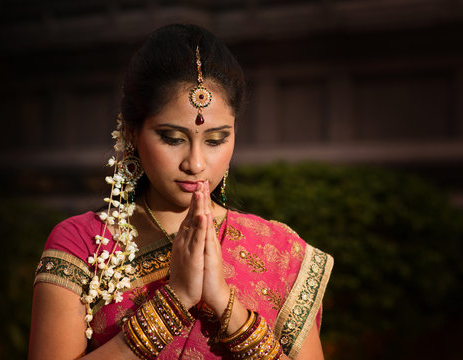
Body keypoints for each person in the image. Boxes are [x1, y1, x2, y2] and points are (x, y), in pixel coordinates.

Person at [29, 24, 333, 360]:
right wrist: (174, 301)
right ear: (132, 133)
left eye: (216, 140)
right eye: (173, 138)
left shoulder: (279, 250)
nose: (196, 163)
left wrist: (226, 307)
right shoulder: (82, 244)